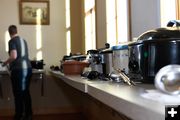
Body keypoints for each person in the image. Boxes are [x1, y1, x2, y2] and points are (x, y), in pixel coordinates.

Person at [3, 25, 33, 120]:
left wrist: (5, 63)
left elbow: (14, 56)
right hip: (28, 68)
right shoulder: (23, 40)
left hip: (19, 70)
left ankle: (18, 115)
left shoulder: (12, 41)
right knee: (25, 92)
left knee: (17, 93)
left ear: (9, 33)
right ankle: (29, 114)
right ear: (16, 31)